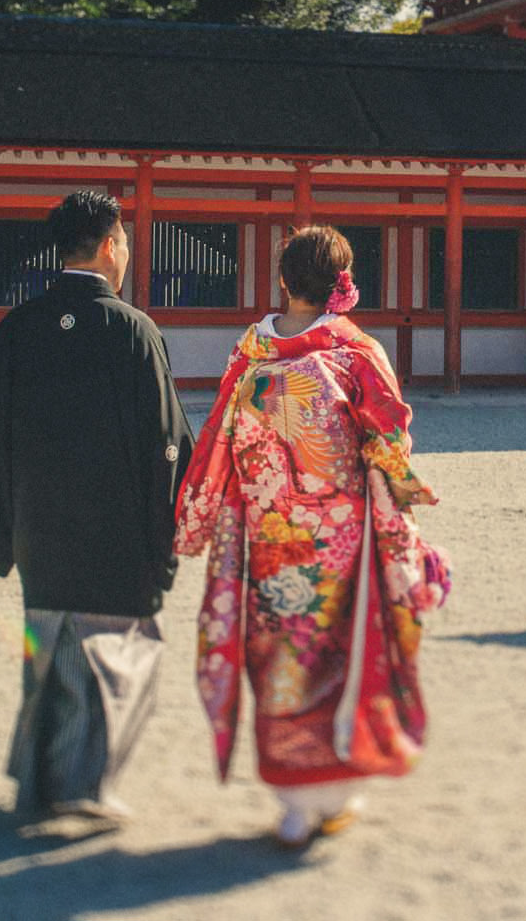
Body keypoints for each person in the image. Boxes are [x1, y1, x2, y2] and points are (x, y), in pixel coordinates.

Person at [174, 225, 449, 850]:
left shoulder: (250, 354)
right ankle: (337, 791)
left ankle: (293, 803)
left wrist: (201, 509)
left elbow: (219, 434)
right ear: (340, 286)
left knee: (281, 660)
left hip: (272, 536)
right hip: (341, 536)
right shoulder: (355, 353)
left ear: (283, 283)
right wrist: (405, 491)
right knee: (344, 652)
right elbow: (390, 441)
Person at [0, 190, 193, 824]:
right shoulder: (134, 330)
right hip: (113, 525)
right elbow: (165, 442)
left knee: (47, 644)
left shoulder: (17, 327)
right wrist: (176, 516)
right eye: (126, 242)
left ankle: (36, 781)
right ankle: (81, 787)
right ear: (110, 246)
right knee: (113, 648)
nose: (128, 254)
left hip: (36, 524)